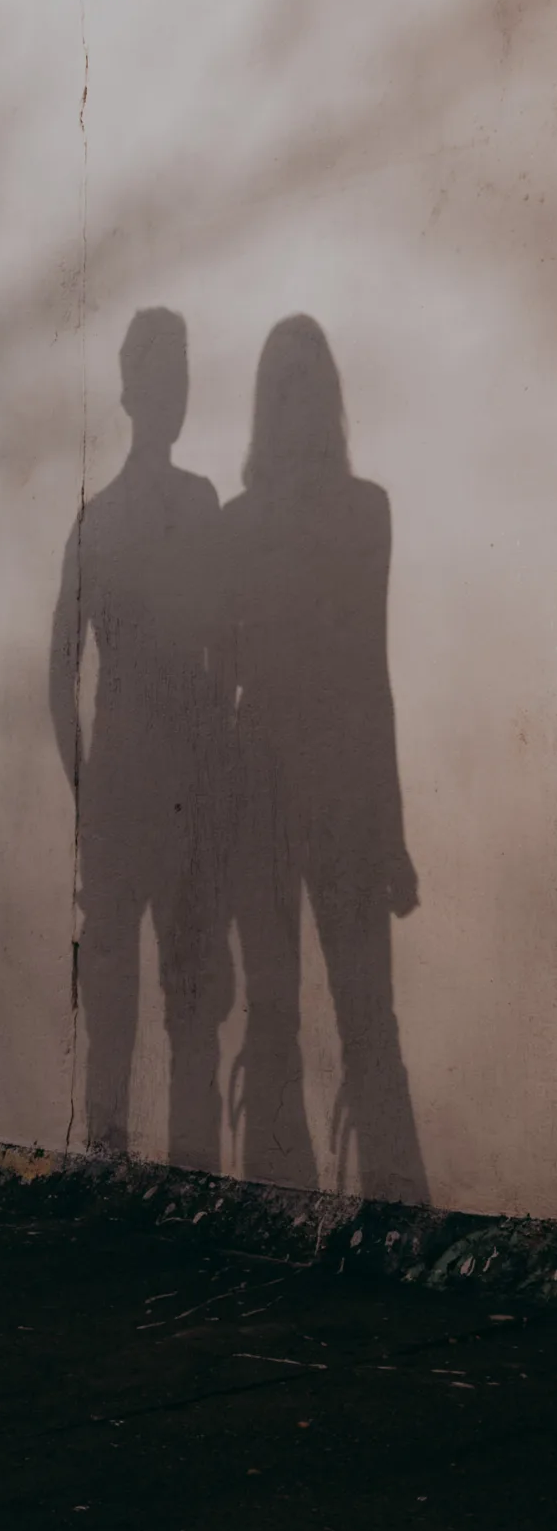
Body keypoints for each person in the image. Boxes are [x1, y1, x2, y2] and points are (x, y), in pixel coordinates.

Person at [221, 316, 427, 1201]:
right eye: (291, 386)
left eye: (308, 384)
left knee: (342, 1015)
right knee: (308, 1015)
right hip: (293, 787)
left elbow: (369, 674)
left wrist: (393, 834)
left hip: (304, 785)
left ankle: (344, 1200)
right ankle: (344, 1201)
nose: (301, 401)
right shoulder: (353, 510)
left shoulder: (317, 514)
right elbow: (355, 676)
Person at [49, 310, 232, 1169]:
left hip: (134, 778)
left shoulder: (102, 516)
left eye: (178, 376)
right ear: (137, 393)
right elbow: (225, 654)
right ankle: (165, 1164)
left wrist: (89, 789)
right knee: (176, 993)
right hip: (166, 779)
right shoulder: (187, 506)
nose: (174, 393)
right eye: (167, 377)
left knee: (141, 989)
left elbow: (60, 673)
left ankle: (113, 1155)